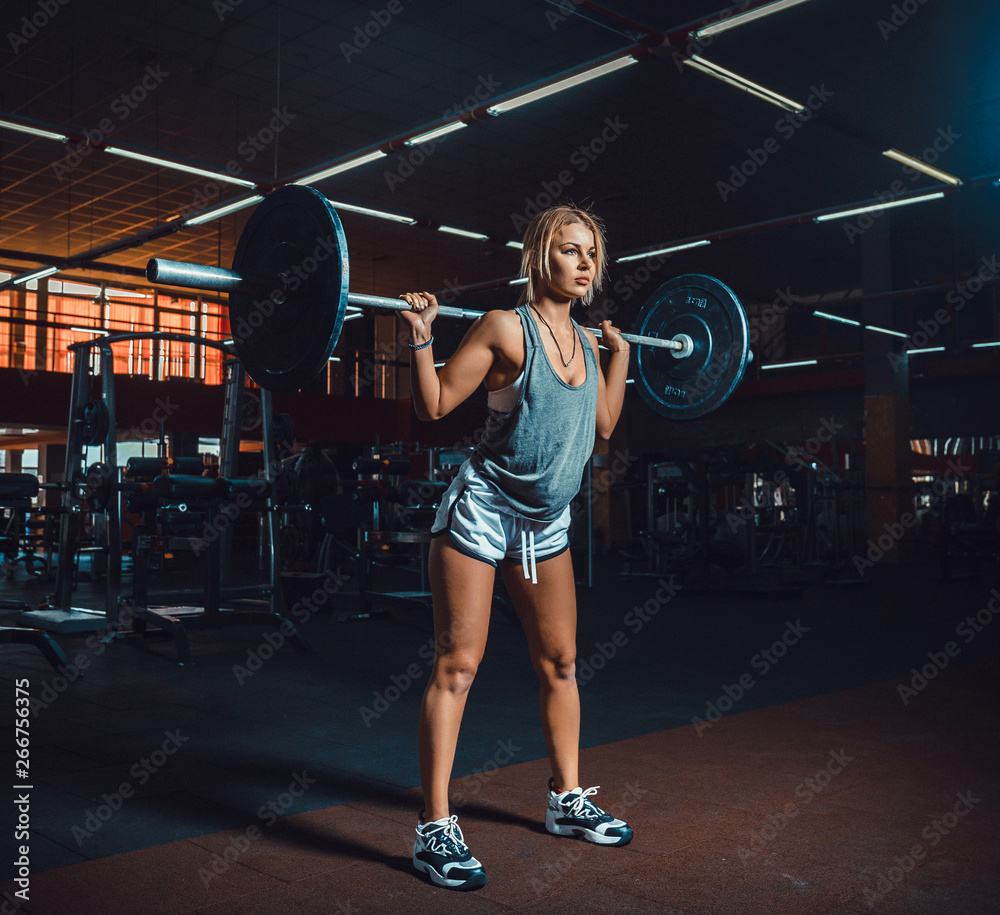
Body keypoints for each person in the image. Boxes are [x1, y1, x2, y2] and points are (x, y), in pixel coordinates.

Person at [398, 204, 632, 891]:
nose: (585, 262)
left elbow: (606, 426)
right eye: (570, 250)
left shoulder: (588, 344)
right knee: (458, 665)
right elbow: (435, 405)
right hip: (484, 511)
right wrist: (420, 338)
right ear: (539, 258)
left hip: (547, 522)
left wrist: (617, 356)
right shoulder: (506, 328)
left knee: (561, 660)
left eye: (592, 251)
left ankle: (567, 800)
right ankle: (433, 828)